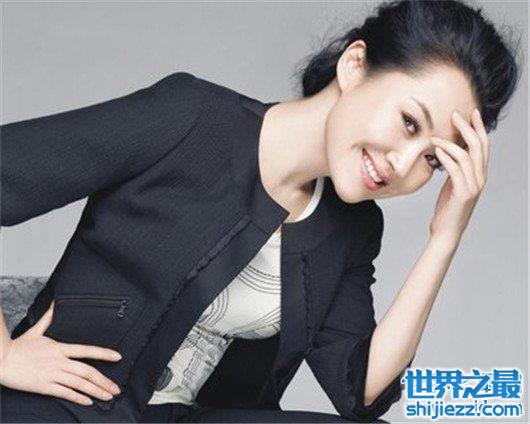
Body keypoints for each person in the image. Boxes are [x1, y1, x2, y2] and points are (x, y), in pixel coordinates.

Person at [0, 0, 521, 422]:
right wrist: (4, 355)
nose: (403, 164)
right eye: (409, 123)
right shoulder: (192, 118)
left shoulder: (352, 228)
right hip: (65, 407)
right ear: (355, 65)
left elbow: (360, 391)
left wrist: (444, 238)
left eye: (432, 160)